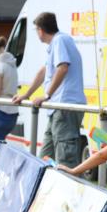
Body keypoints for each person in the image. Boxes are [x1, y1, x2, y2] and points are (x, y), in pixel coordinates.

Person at [12, 12, 86, 168]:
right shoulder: (57, 44)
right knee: (45, 158)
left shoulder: (60, 40)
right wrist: (26, 95)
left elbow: (63, 67)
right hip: (56, 108)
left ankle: (70, 191)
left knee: (66, 160)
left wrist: (46, 95)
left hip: (64, 106)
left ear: (40, 30)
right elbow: (44, 71)